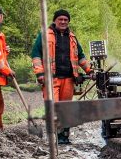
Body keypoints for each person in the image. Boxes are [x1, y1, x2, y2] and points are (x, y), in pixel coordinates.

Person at [31, 9, 92, 144]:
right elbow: (36, 55)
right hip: (51, 79)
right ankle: (53, 138)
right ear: (55, 20)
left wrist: (89, 70)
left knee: (65, 109)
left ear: (68, 21)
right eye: (60, 19)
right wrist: (39, 73)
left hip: (69, 80)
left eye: (66, 19)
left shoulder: (73, 38)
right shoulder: (44, 35)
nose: (63, 21)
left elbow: (80, 56)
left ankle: (64, 137)